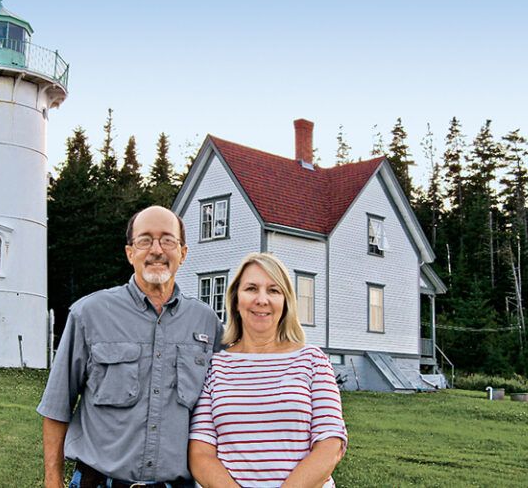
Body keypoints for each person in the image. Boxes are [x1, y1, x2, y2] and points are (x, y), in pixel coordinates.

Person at [37, 206, 224, 488]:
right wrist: (53, 480)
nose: (157, 250)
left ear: (183, 253)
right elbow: (56, 406)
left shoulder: (207, 323)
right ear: (130, 253)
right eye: (145, 240)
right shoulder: (89, 314)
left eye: (167, 240)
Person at [188, 253, 347, 488]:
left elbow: (330, 445)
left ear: (285, 301)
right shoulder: (216, 367)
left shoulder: (312, 360)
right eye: (251, 288)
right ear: (235, 299)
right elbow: (200, 454)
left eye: (273, 290)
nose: (262, 300)